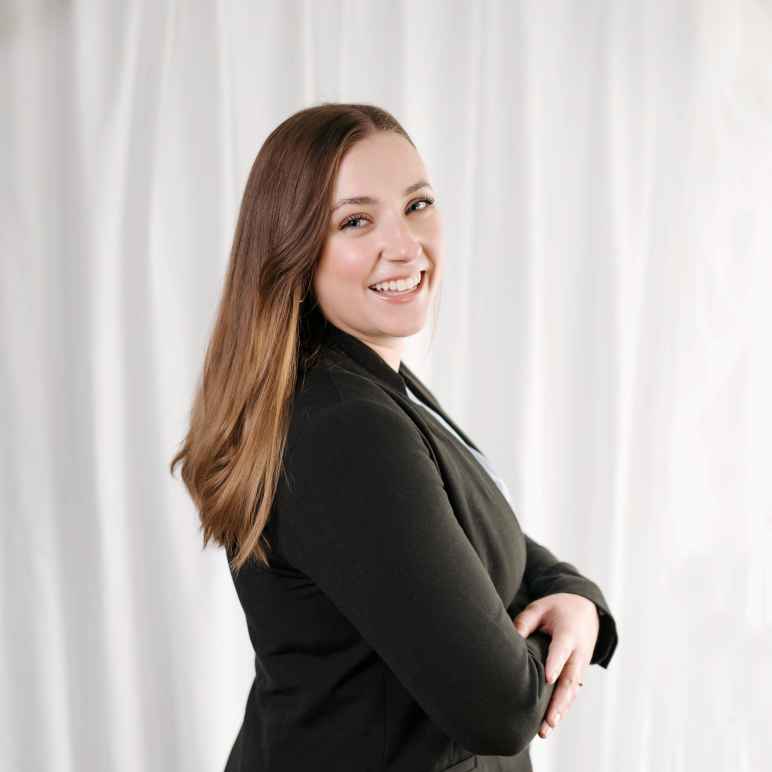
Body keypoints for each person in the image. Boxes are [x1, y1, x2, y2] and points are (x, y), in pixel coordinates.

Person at [170, 102, 618, 772]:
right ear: (294, 250)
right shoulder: (346, 429)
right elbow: (500, 706)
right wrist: (556, 643)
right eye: (356, 220)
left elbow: (491, 545)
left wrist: (578, 601)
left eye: (417, 204)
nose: (406, 245)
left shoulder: (367, 385)